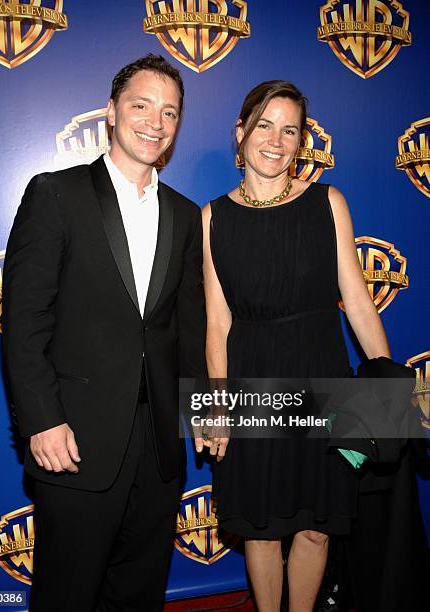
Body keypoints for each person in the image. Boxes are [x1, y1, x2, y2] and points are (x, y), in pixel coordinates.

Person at [2, 54, 206, 612]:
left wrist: (207, 412)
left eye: (169, 112)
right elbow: (24, 324)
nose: (155, 122)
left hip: (159, 448)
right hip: (74, 441)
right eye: (141, 105)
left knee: (138, 595)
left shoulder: (186, 216)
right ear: (111, 112)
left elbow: (188, 329)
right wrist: (42, 419)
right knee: (67, 595)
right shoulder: (55, 194)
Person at [198, 80, 391, 612]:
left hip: (324, 377)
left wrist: (387, 392)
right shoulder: (213, 218)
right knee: (261, 528)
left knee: (316, 527)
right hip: (252, 384)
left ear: (303, 140)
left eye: (290, 129)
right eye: (263, 125)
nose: (276, 140)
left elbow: (357, 301)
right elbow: (216, 324)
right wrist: (215, 403)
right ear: (240, 134)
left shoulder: (328, 202)